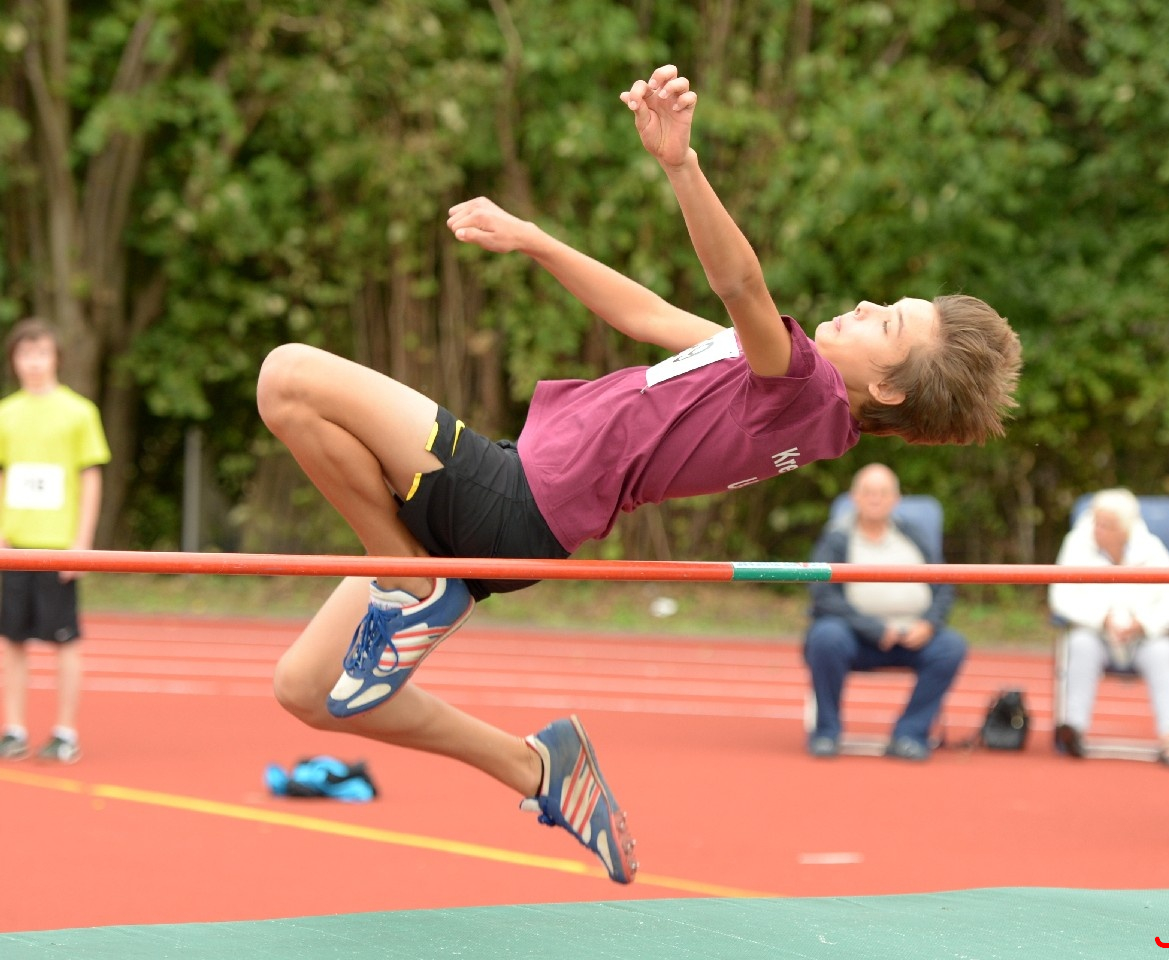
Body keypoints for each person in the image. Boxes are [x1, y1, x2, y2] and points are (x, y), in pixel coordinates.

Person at [255, 65, 1022, 883]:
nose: (867, 307)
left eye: (887, 323)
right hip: (520, 511)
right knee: (306, 689)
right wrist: (536, 239)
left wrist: (680, 164)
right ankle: (534, 766)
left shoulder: (805, 386)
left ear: (891, 389)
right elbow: (647, 315)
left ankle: (410, 581)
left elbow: (740, 282)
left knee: (289, 377)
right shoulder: (783, 390)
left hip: (512, 501)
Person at [0, 318, 111, 764]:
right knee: (11, 640)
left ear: (56, 358)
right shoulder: (5, 413)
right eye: (25, 353)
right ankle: (14, 728)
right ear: (14, 360)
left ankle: (65, 731)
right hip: (14, 547)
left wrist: (81, 544)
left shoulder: (79, 412)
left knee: (66, 641)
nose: (34, 362)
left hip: (59, 545)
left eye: (42, 352)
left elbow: (91, 478)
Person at [801, 464, 966, 761]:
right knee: (824, 636)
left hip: (912, 637)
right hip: (856, 637)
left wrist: (928, 624)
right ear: (854, 497)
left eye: (883, 492)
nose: (875, 498)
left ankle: (910, 735)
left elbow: (944, 585)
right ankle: (826, 732)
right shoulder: (838, 537)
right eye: (868, 492)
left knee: (951, 646)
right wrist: (874, 629)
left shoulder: (914, 536)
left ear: (896, 499)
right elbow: (822, 595)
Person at [1048, 488, 1169, 768]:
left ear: (1125, 529)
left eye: (1107, 525)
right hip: (1096, 634)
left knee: (1165, 652)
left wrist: (1143, 623)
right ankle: (1072, 729)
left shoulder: (1151, 548)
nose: (1097, 530)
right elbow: (1060, 597)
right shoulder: (1076, 544)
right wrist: (1101, 618)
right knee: (1079, 644)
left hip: (1143, 638)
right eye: (1096, 521)